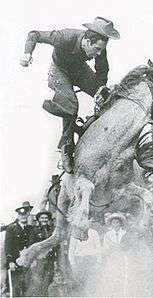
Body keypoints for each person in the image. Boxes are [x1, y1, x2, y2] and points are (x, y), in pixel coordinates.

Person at [20, 17, 120, 173]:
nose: (99, 53)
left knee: (107, 97)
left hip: (79, 71)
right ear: (87, 41)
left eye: (101, 50)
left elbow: (102, 70)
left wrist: (100, 89)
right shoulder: (64, 37)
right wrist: (27, 53)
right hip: (59, 71)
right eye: (96, 49)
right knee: (71, 105)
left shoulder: (100, 46)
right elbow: (34, 34)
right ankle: (66, 148)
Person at [25, 209, 56, 297]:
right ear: (38, 219)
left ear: (49, 219)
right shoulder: (34, 231)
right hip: (39, 261)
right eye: (42, 218)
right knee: (37, 283)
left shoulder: (53, 230)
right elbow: (31, 246)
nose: (44, 219)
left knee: (48, 281)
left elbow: (56, 245)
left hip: (50, 261)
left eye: (46, 218)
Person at [68, 217, 101, 296]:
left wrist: (99, 262)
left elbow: (99, 248)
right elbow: (71, 250)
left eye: (86, 221)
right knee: (80, 282)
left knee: (91, 282)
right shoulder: (75, 234)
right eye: (81, 221)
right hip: (79, 261)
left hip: (91, 260)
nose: (84, 224)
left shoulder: (94, 233)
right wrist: (73, 264)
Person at [4, 206, 32, 297]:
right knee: (15, 288)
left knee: (27, 287)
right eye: (21, 215)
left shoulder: (30, 229)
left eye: (25, 214)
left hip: (28, 263)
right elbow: (8, 246)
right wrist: (10, 261)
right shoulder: (11, 228)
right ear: (18, 216)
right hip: (15, 263)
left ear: (28, 215)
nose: (23, 216)